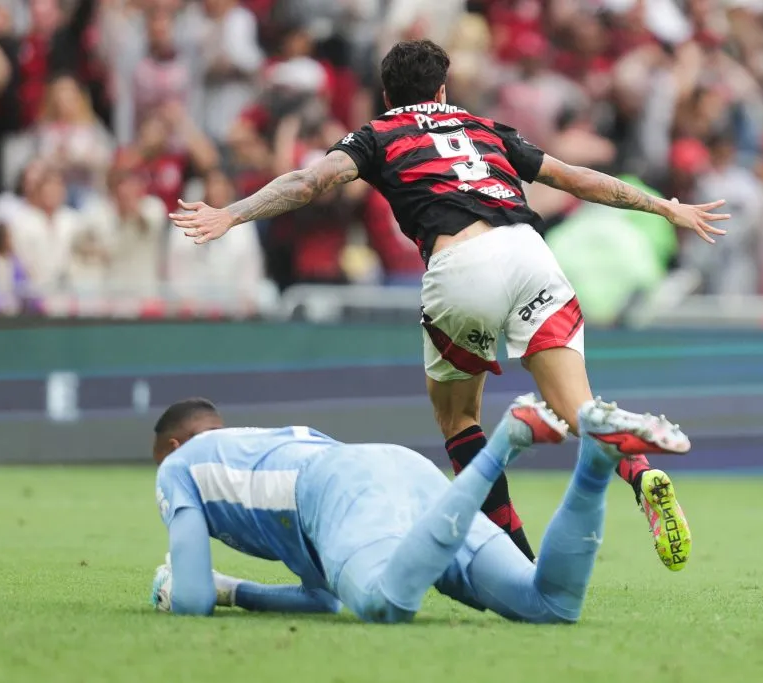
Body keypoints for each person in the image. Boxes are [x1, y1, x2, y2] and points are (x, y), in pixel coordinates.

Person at [169, 39, 730, 570]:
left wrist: (231, 214)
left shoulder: (377, 134)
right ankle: (640, 472)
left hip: (462, 266)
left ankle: (516, 559)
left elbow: (306, 182)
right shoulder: (483, 127)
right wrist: (666, 208)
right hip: (533, 254)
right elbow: (575, 179)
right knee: (581, 411)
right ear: (442, 90)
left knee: (460, 421)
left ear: (388, 96)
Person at [149, 393, 689, 622]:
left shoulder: (180, 467)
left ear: (171, 448)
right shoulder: (260, 446)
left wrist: (186, 589)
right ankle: (595, 461)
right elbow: (324, 601)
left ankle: (505, 440)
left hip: (342, 491)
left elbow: (191, 603)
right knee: (548, 605)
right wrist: (233, 590)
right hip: (398, 473)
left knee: (386, 603)